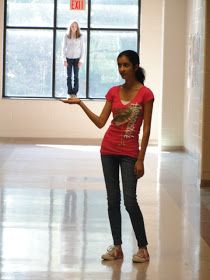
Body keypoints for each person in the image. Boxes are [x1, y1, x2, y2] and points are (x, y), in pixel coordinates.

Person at [60, 50, 154, 263]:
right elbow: (101, 122)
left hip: (130, 153)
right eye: (119, 65)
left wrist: (141, 158)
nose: (122, 69)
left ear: (136, 66)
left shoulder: (146, 94)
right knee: (113, 200)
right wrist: (81, 104)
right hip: (108, 151)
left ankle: (143, 248)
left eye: (126, 65)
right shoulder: (113, 92)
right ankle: (117, 247)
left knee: (130, 201)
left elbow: (146, 129)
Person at [62, 20, 85, 98]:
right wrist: (64, 59)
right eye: (72, 26)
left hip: (77, 59)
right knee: (69, 76)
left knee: (76, 76)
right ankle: (69, 92)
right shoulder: (66, 35)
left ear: (77, 27)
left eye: (75, 26)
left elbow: (83, 49)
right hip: (68, 59)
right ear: (70, 27)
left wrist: (81, 60)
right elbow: (63, 48)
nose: (73, 27)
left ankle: (74, 93)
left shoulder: (80, 36)